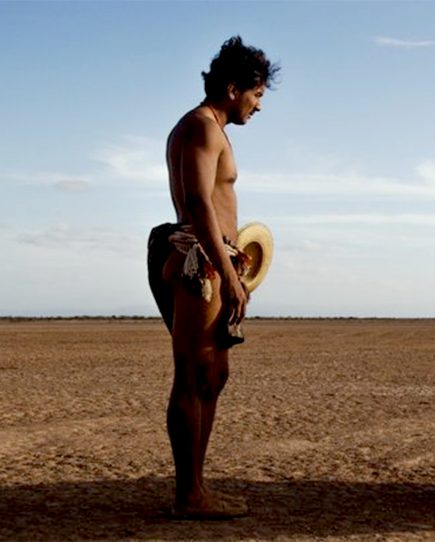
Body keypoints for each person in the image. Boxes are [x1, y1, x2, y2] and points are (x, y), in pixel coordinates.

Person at [147, 36, 280, 519]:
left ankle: (196, 487)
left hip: (213, 257)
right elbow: (201, 202)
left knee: (214, 376)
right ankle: (190, 494)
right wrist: (227, 273)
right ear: (232, 88)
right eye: (257, 94)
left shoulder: (209, 128)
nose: (259, 105)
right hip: (200, 262)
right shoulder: (201, 127)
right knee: (193, 375)